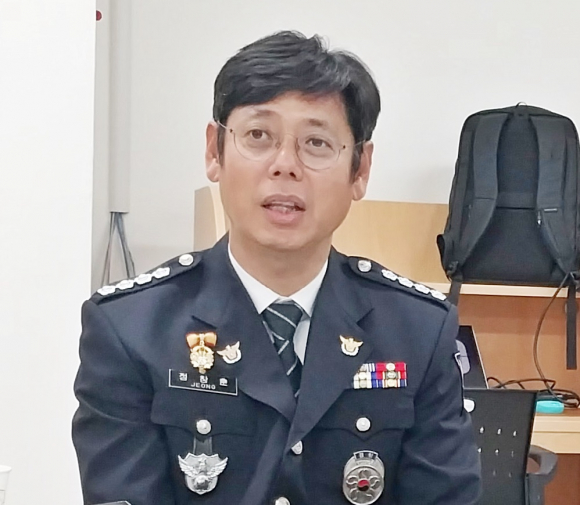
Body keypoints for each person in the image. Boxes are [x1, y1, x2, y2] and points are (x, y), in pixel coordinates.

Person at [72, 31, 481, 505]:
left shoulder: (418, 331)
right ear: (214, 151)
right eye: (258, 136)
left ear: (360, 169)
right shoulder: (130, 329)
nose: (285, 166)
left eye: (317, 142)